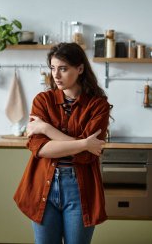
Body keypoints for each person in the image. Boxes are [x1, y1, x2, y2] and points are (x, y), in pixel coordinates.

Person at [14, 42, 111, 244]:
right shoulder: (42, 101)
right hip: (43, 186)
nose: (56, 75)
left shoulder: (98, 105)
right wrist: (84, 143)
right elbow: (40, 149)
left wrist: (47, 129)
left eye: (63, 69)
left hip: (80, 187)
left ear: (80, 69)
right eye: (52, 68)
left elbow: (87, 156)